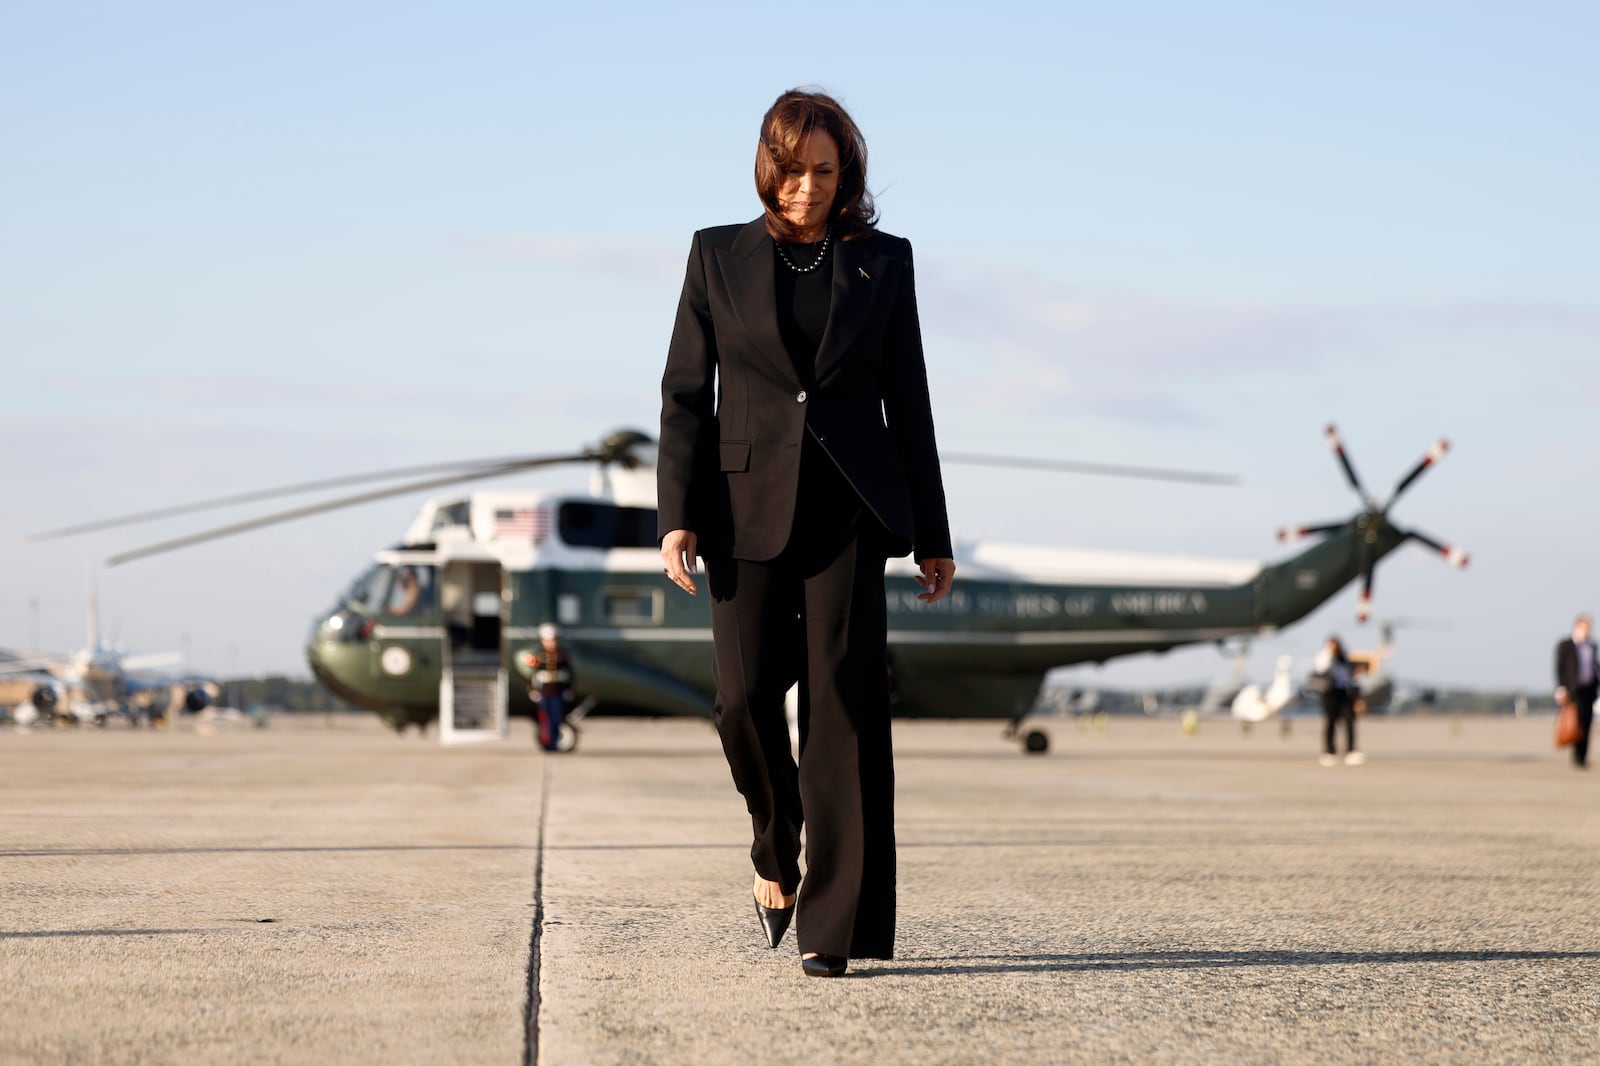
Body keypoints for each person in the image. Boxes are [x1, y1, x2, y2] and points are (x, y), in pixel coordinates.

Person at [657, 89, 955, 979]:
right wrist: (676, 513)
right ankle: (772, 845)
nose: (807, 189)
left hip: (850, 513)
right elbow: (683, 396)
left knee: (843, 712)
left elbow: (911, 400)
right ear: (768, 165)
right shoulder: (715, 257)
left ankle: (834, 925)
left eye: (825, 172)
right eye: (793, 171)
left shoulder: (883, 262)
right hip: (741, 512)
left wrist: (932, 531)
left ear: (846, 172)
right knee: (742, 702)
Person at [1554, 614, 1597, 769]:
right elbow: (1559, 667)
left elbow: (1594, 667)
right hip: (1573, 690)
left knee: (1587, 723)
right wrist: (1560, 688)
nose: (1589, 630)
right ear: (1578, 627)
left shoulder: (1592, 646)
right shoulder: (1566, 645)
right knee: (1575, 721)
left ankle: (1582, 757)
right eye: (1586, 627)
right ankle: (1576, 755)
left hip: (1589, 689)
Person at [1315, 635, 1362, 766]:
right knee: (1330, 723)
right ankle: (1329, 751)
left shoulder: (1344, 658)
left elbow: (1351, 675)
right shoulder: (1325, 657)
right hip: (1330, 694)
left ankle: (1351, 750)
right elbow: (1320, 668)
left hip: (1345, 694)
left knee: (1349, 722)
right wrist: (1328, 653)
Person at [531, 623, 574, 753]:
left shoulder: (562, 655)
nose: (550, 643)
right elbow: (532, 675)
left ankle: (555, 742)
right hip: (544, 693)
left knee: (557, 718)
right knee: (545, 719)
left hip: (558, 692)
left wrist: (568, 689)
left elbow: (570, 673)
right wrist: (533, 690)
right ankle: (547, 743)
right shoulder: (539, 656)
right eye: (547, 640)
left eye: (553, 640)